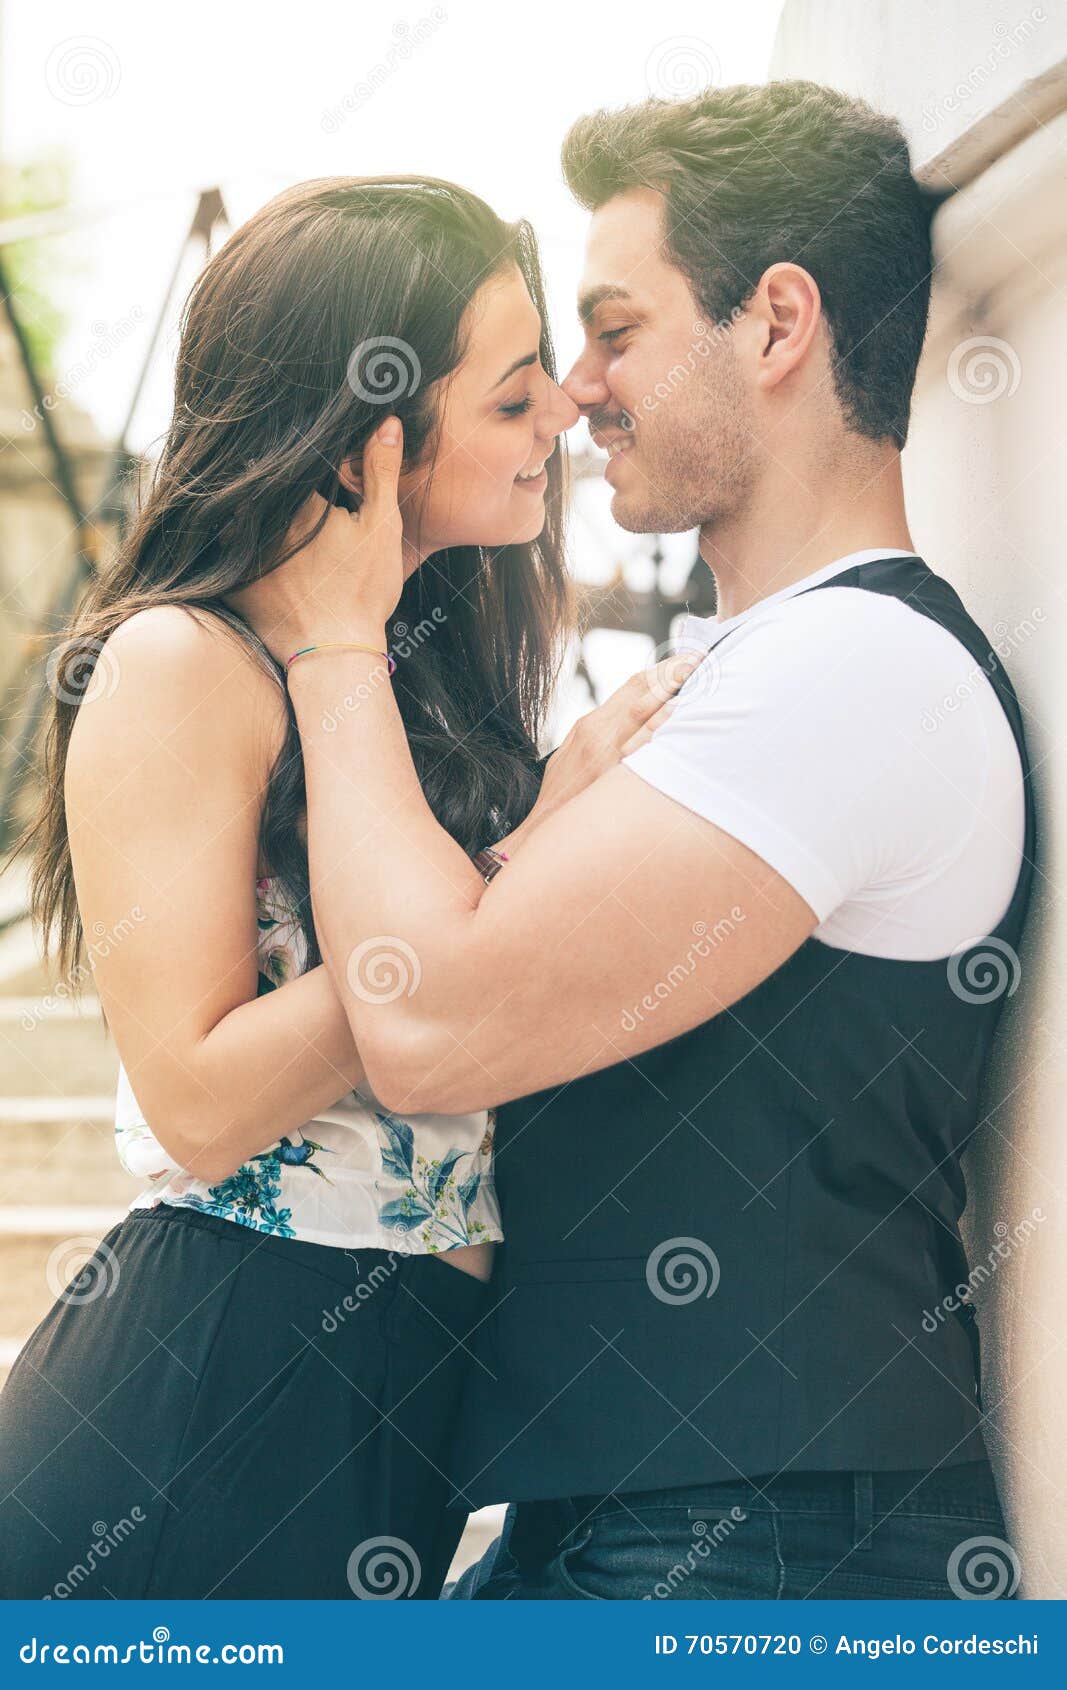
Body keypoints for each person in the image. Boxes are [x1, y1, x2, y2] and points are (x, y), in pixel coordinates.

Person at [233, 84, 1034, 1601]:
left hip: (767, 1551)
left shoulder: (856, 671)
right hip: (643, 1528)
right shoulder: (761, 668)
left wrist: (336, 644)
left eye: (615, 328)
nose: (574, 388)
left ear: (778, 324)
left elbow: (426, 1014)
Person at [0, 174, 687, 1600]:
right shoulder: (187, 664)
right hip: (218, 1386)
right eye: (510, 399)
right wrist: (500, 883)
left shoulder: (413, 667)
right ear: (362, 441)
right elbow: (192, 1097)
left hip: (396, 1392)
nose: (560, 413)